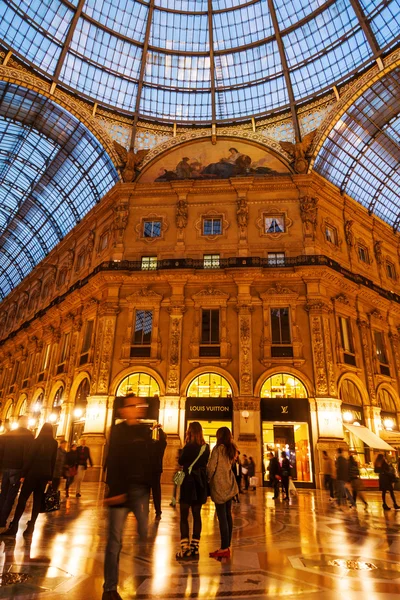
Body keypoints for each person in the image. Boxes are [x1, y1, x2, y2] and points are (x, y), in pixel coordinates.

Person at [103, 394, 156, 600]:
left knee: (144, 533)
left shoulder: (144, 430)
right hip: (119, 491)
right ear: (124, 410)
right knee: (114, 542)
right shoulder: (117, 431)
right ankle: (109, 588)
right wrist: (114, 491)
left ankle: (141, 576)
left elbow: (148, 460)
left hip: (139, 491)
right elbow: (113, 460)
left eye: (140, 405)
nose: (138, 408)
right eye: (133, 405)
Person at [1, 423, 57, 538]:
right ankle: (31, 526)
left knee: (22, 500)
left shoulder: (36, 441)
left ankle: (14, 526)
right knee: (37, 501)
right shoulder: (54, 443)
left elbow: (30, 458)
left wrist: (23, 474)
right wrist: (50, 478)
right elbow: (53, 461)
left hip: (32, 474)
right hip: (44, 476)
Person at [176, 422, 210, 560]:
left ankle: (185, 548)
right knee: (197, 514)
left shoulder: (188, 446)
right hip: (200, 482)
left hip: (188, 481)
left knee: (184, 515)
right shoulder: (206, 447)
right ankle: (195, 547)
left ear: (189, 431)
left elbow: (181, 461)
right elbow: (205, 462)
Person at [208, 427, 238, 559]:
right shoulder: (230, 449)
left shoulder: (218, 449)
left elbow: (211, 467)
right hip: (229, 484)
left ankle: (224, 548)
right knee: (227, 515)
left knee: (222, 518)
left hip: (219, 486)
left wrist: (207, 479)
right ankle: (227, 545)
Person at [0, 415, 34, 529]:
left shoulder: (9, 434)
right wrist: (24, 473)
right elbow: (28, 455)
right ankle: (2, 521)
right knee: (10, 497)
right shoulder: (29, 436)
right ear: (26, 423)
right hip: (17, 469)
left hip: (6, 468)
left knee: (3, 494)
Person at [150, 424, 167, 520]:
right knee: (156, 491)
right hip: (156, 469)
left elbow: (146, 438)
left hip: (151, 469)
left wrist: (155, 428)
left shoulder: (157, 444)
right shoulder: (161, 444)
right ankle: (158, 510)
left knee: (149, 490)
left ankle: (156, 510)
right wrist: (158, 428)